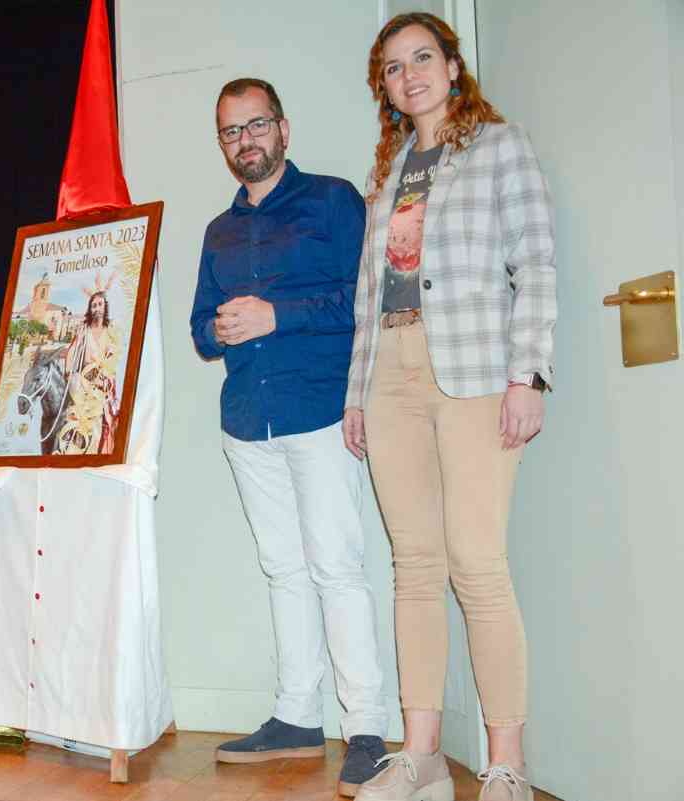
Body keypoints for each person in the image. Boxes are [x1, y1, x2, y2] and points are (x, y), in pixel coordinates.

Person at [343, 14, 556, 801]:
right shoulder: (391, 170)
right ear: (387, 90)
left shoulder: (500, 147)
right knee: (414, 568)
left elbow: (535, 262)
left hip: (472, 367)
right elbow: (372, 296)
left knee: (478, 563)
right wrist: (357, 392)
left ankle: (507, 765)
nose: (411, 75)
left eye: (422, 58)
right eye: (394, 69)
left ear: (452, 64)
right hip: (391, 373)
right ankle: (422, 754)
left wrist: (526, 375)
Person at [189, 77, 389, 796]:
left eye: (256, 125)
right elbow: (199, 327)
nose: (246, 140)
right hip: (246, 420)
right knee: (284, 570)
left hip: (322, 411)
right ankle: (298, 715)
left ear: (284, 127)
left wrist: (278, 314)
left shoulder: (334, 201)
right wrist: (215, 328)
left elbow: (363, 298)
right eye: (231, 132)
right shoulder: (218, 230)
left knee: (338, 567)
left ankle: (366, 727)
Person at [61, 279, 120, 454]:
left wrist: (104, 377)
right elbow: (72, 352)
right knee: (75, 421)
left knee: (105, 420)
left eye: (100, 304)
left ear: (105, 306)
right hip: (83, 385)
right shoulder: (83, 330)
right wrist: (69, 373)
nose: (96, 308)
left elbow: (114, 358)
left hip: (103, 385)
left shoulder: (112, 331)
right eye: (93, 305)